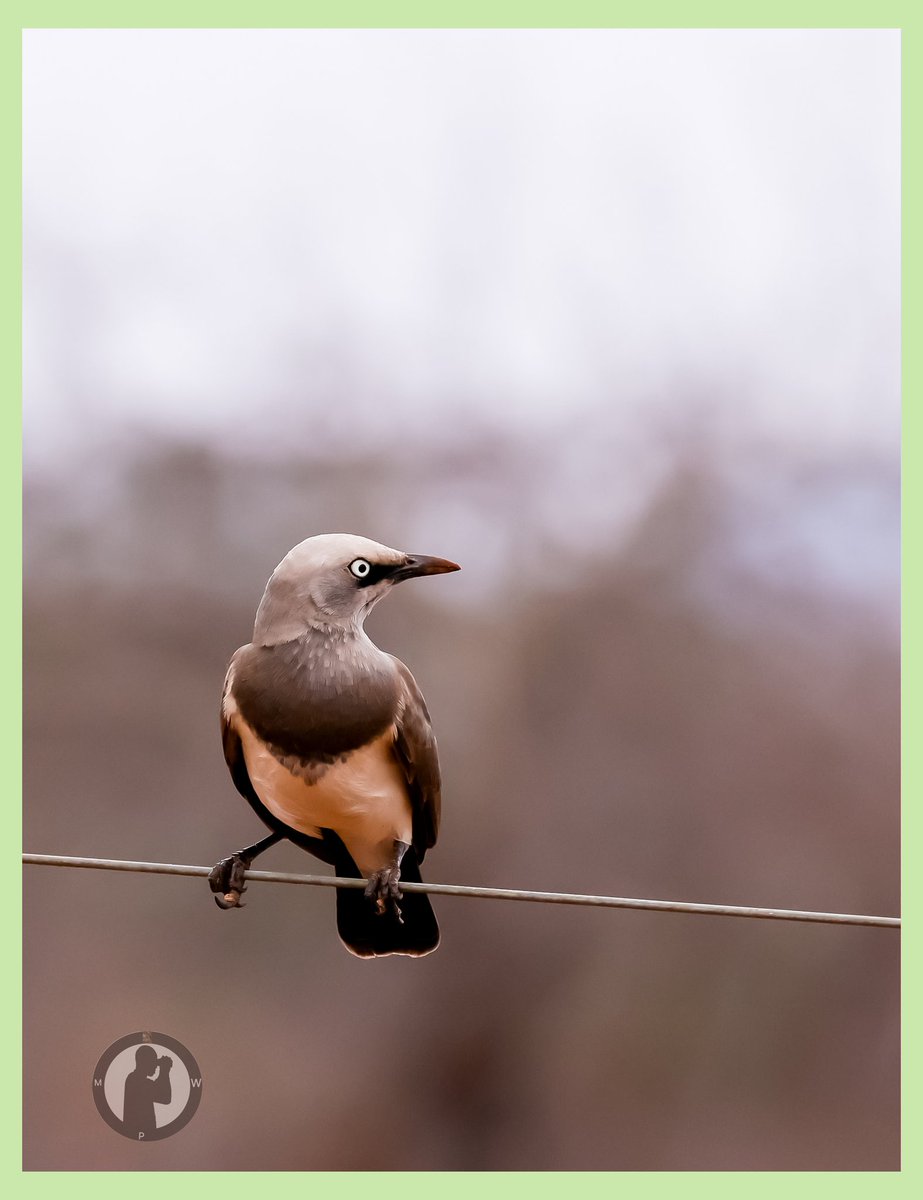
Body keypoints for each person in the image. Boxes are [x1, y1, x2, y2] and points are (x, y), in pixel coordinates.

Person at [122, 1044, 172, 1138]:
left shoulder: (134, 1079)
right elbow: (165, 1097)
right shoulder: (135, 1080)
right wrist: (164, 1071)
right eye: (153, 1062)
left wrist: (163, 1070)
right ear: (144, 1062)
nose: (155, 1066)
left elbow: (157, 1089)